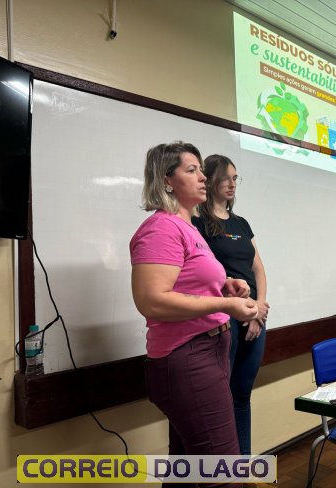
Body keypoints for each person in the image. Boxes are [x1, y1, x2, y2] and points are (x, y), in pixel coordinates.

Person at [129, 142, 258, 487]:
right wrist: (224, 305)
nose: (204, 177)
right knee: (223, 475)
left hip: (208, 352)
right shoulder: (161, 228)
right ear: (166, 180)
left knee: (185, 469)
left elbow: (188, 282)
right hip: (188, 357)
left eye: (202, 170)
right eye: (192, 170)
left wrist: (226, 286)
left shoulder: (188, 227)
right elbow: (152, 301)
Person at [193, 154, 269, 456]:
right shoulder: (197, 223)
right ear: (210, 179)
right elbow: (204, 275)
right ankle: (225, 468)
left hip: (254, 316)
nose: (232, 184)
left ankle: (243, 465)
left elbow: (258, 268)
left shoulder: (241, 223)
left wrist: (259, 309)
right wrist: (244, 306)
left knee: (242, 394)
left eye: (235, 178)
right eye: (226, 177)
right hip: (223, 318)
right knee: (222, 397)